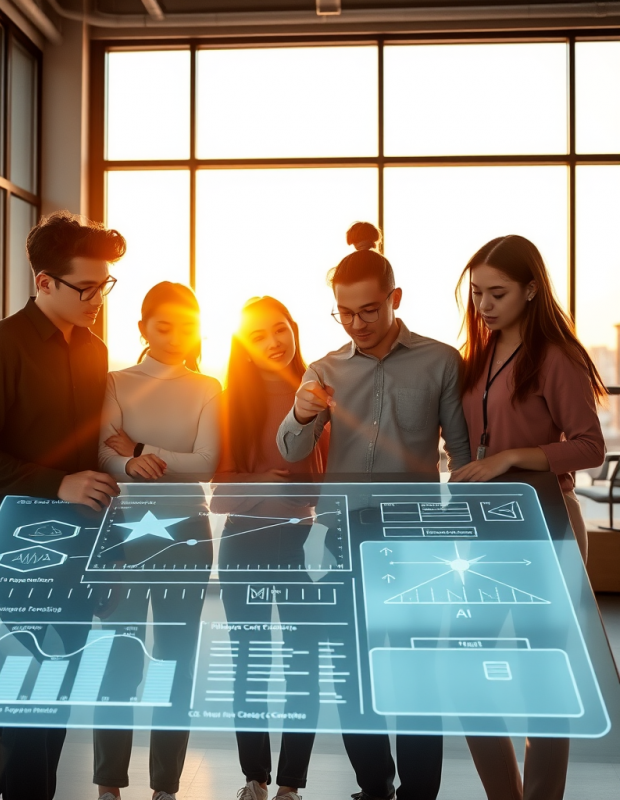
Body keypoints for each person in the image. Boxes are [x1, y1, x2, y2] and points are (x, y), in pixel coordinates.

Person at [276, 221, 471, 800]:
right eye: (344, 313)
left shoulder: (440, 362)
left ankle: (418, 794)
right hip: (345, 537)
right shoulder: (324, 370)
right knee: (351, 675)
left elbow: (460, 454)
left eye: (368, 311)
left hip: (417, 540)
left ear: (395, 300)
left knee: (415, 678)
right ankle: (375, 788)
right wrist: (303, 413)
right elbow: (288, 451)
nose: (357, 325)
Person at [0, 211, 126, 800]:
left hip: (76, 524)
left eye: (105, 285)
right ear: (44, 282)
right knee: (38, 661)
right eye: (87, 287)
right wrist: (58, 485)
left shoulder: (95, 348)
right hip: (11, 525)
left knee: (57, 663)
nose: (98, 297)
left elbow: (92, 452)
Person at [449, 234, 606, 800]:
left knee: (544, 680)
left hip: (547, 525)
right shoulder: (475, 357)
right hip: (482, 532)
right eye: (478, 294)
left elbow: (591, 447)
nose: (485, 305)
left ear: (531, 289)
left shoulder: (556, 358)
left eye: (498, 293)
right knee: (465, 673)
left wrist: (514, 458)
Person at [93, 281, 222, 800]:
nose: (174, 336)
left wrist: (141, 450)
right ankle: (108, 785)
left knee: (175, 659)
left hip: (187, 534)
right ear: (142, 326)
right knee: (118, 657)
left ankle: (165, 788)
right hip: (121, 531)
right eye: (162, 325)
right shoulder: (115, 381)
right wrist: (126, 461)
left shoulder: (209, 386)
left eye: (186, 325)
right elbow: (105, 452)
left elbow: (207, 464)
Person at [211, 296, 328, 800]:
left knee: (305, 664)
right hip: (242, 541)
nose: (273, 343)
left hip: (302, 543)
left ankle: (291, 786)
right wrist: (266, 481)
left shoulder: (320, 393)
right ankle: (254, 779)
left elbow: (317, 488)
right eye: (257, 336)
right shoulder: (228, 399)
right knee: (249, 663)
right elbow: (221, 491)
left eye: (279, 329)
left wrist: (261, 485)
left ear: (294, 329)